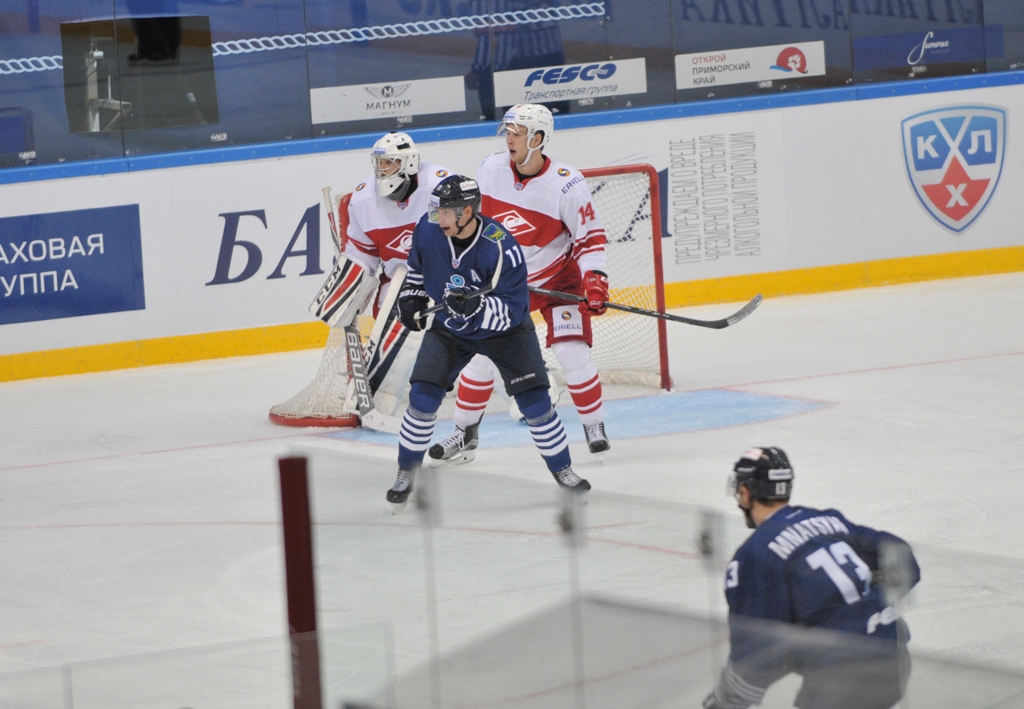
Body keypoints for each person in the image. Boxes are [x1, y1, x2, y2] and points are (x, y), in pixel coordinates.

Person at [387, 174, 590, 509]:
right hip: (450, 327)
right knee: (422, 397)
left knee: (536, 404)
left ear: (467, 212)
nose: (438, 218)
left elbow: (512, 310)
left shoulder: (500, 245)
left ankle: (563, 470)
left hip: (505, 333)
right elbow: (417, 271)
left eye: (446, 212)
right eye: (436, 210)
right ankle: (406, 471)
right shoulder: (427, 228)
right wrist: (411, 297)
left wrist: (477, 307)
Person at [429, 103, 611, 466]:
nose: (509, 139)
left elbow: (590, 238)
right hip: (506, 282)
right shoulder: (490, 168)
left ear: (538, 138)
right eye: (508, 132)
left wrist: (594, 279)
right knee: (480, 358)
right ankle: (464, 433)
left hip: (558, 279)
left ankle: (594, 426)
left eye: (518, 133)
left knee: (571, 352)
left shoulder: (568, 184)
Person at [704, 447, 921, 709]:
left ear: (745, 492)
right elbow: (900, 555)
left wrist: (727, 699)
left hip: (841, 676)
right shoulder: (828, 520)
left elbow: (755, 652)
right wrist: (869, 603)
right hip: (893, 656)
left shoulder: (755, 556)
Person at [344, 131, 451, 314]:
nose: (382, 169)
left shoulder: (440, 187)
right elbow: (362, 257)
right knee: (387, 327)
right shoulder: (363, 200)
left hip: (445, 277)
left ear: (409, 162)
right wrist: (349, 296)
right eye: (379, 162)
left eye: (389, 162)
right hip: (397, 283)